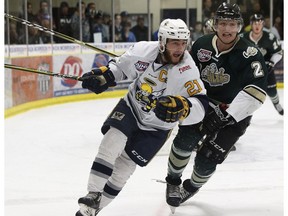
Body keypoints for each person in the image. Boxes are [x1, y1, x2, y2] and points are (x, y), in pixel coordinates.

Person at [75, 18, 209, 216]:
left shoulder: (187, 69)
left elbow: (201, 104)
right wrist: (104, 77)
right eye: (175, 43)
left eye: (183, 43)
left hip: (158, 127)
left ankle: (92, 210)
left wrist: (184, 106)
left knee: (123, 170)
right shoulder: (143, 50)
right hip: (131, 108)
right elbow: (119, 68)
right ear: (162, 42)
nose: (180, 48)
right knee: (111, 142)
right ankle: (93, 193)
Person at [164, 2, 268, 211]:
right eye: (222, 23)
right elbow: (185, 71)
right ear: (215, 24)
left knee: (208, 160)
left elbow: (257, 92)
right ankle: (173, 181)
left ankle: (191, 187)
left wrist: (226, 114)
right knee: (184, 142)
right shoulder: (201, 44)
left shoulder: (250, 53)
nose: (227, 29)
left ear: (239, 26)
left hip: (234, 115)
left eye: (231, 24)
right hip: (202, 104)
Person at [241, 14, 283, 115]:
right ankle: (242, 111)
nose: (257, 25)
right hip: (249, 71)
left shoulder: (270, 37)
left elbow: (279, 53)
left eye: (260, 23)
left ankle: (276, 103)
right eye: (255, 22)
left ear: (263, 24)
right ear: (251, 24)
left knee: (272, 91)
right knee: (244, 92)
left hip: (267, 69)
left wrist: (272, 62)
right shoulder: (242, 38)